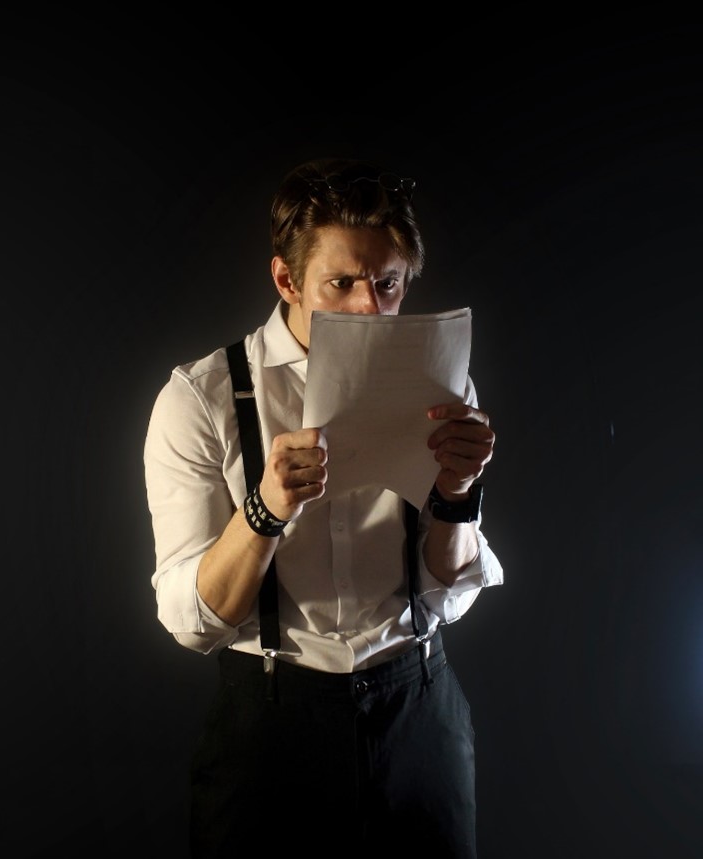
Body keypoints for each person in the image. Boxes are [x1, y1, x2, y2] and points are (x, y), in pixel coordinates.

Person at [143, 157, 504, 859]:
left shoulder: (442, 379)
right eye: (341, 283)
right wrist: (264, 509)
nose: (370, 307)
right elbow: (193, 622)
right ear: (286, 279)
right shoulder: (201, 398)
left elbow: (450, 592)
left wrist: (458, 494)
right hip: (272, 726)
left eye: (388, 283)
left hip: (418, 705)